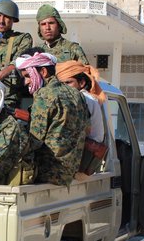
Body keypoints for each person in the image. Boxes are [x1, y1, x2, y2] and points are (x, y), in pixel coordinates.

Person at [15, 49, 89, 186]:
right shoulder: (77, 94)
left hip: (47, 172)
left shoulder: (45, 94)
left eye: (28, 76)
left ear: (43, 72)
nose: (26, 82)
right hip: (68, 172)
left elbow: (34, 140)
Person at [56, 60, 108, 175]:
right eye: (61, 84)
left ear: (82, 82)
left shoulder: (84, 99)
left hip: (83, 159)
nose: (64, 88)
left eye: (68, 83)